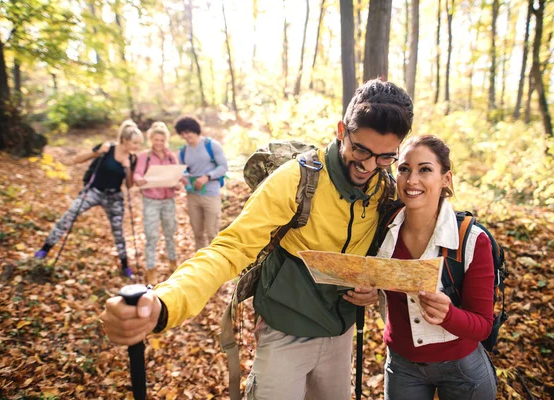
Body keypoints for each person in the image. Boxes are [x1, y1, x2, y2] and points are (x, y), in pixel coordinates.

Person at [100, 79, 414, 400]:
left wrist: (373, 286)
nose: (368, 165)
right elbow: (229, 249)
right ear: (340, 130)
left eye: (385, 157)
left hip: (341, 333)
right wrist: (165, 303)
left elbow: (392, 254)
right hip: (285, 330)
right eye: (360, 149)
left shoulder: (385, 190)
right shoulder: (297, 178)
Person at [375, 135, 497, 399]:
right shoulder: (382, 228)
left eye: (425, 169)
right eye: (404, 169)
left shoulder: (472, 240)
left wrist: (449, 314)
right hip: (402, 367)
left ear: (446, 179)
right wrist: (366, 291)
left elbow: (484, 325)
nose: (411, 180)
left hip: (462, 371)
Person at [34, 120, 144, 279]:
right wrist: (97, 152)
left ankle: (125, 265)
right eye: (135, 143)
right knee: (70, 215)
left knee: (118, 231)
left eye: (139, 144)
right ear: (125, 140)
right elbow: (77, 159)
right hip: (94, 191)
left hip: (114, 196)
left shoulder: (132, 159)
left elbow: (129, 185)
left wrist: (127, 167)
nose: (137, 147)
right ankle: (45, 249)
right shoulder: (108, 148)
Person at [133, 121, 180, 285]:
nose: (159, 143)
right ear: (151, 139)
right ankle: (151, 268)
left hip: (168, 200)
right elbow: (137, 174)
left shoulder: (170, 156)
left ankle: (173, 261)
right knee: (151, 235)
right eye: (156, 139)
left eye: (161, 140)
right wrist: (140, 180)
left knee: (170, 233)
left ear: (165, 140)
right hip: (151, 200)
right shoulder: (144, 157)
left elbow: (177, 176)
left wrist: (179, 183)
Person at [174, 116, 228, 251]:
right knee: (198, 233)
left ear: (195, 130)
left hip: (211, 194)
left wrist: (207, 177)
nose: (185, 136)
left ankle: (216, 263)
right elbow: (182, 170)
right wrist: (183, 179)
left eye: (188, 132)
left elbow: (223, 167)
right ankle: (201, 264)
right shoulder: (183, 151)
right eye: (182, 133)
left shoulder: (211, 145)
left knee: (212, 233)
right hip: (192, 196)